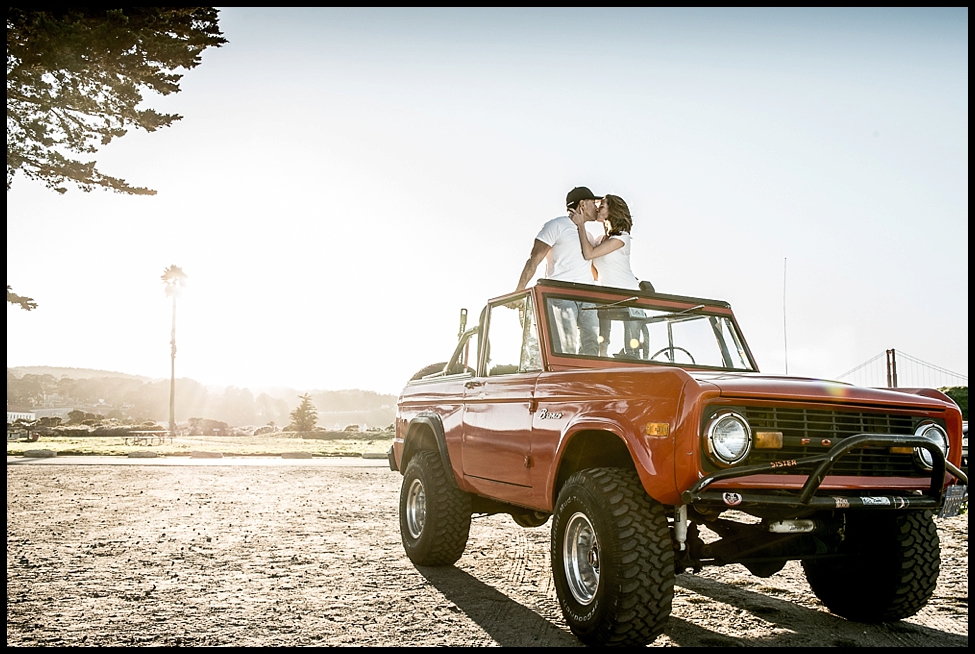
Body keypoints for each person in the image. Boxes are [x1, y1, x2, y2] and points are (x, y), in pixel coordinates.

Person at [516, 186, 602, 356]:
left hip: (588, 297)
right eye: (594, 203)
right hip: (561, 295)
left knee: (592, 345)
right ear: (582, 204)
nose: (597, 208)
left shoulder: (589, 237)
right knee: (565, 347)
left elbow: (595, 271)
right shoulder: (556, 225)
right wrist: (520, 289)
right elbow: (534, 259)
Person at [570, 194, 644, 357]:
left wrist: (581, 225)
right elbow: (594, 272)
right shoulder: (600, 240)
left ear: (612, 211)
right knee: (600, 347)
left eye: (602, 206)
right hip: (605, 299)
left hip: (629, 298)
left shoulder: (622, 238)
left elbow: (589, 254)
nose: (598, 208)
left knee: (632, 352)